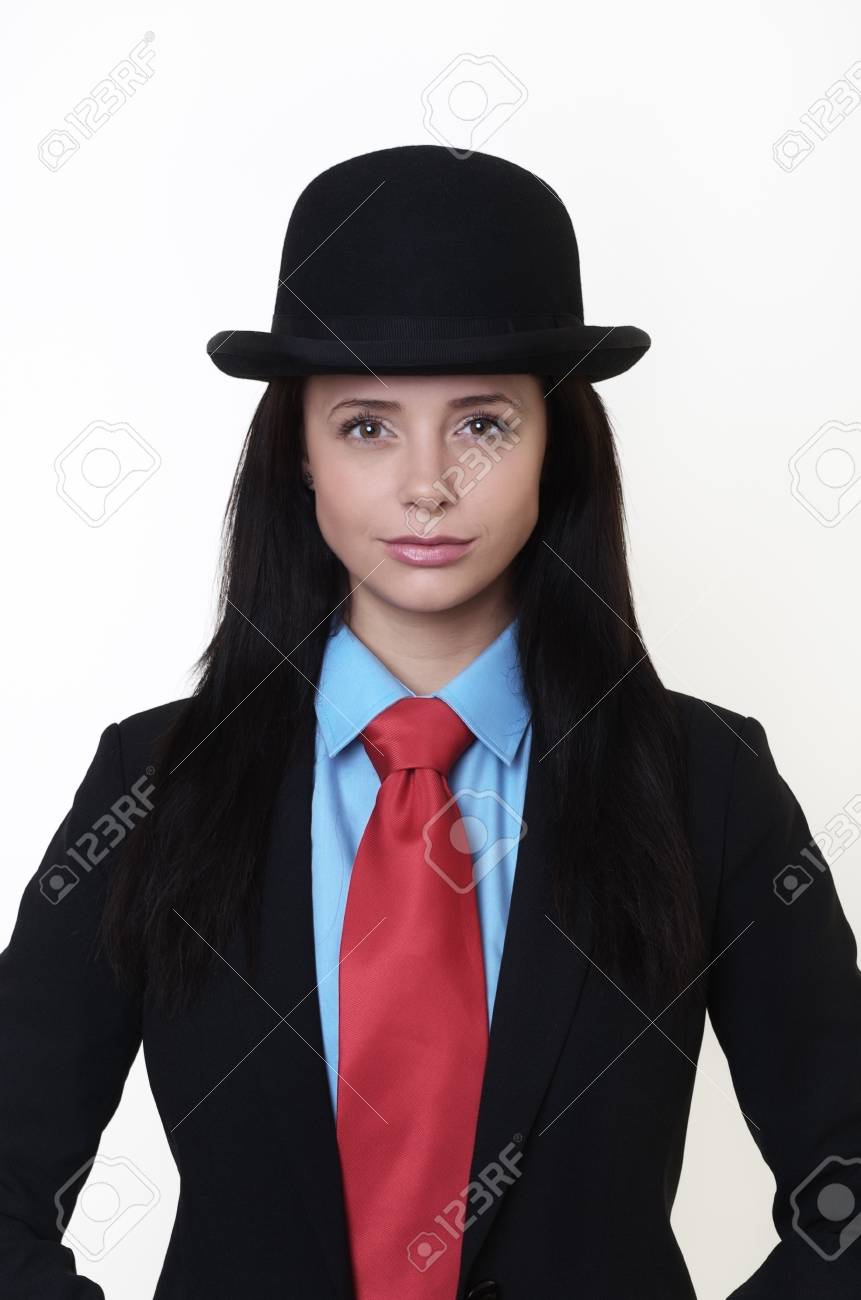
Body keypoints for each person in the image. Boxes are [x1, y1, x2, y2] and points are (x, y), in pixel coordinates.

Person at [1, 144, 860, 1300]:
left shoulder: (705, 783)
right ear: (296, 454)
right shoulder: (154, 784)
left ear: (558, 447)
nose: (426, 484)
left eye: (483, 423)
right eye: (365, 424)